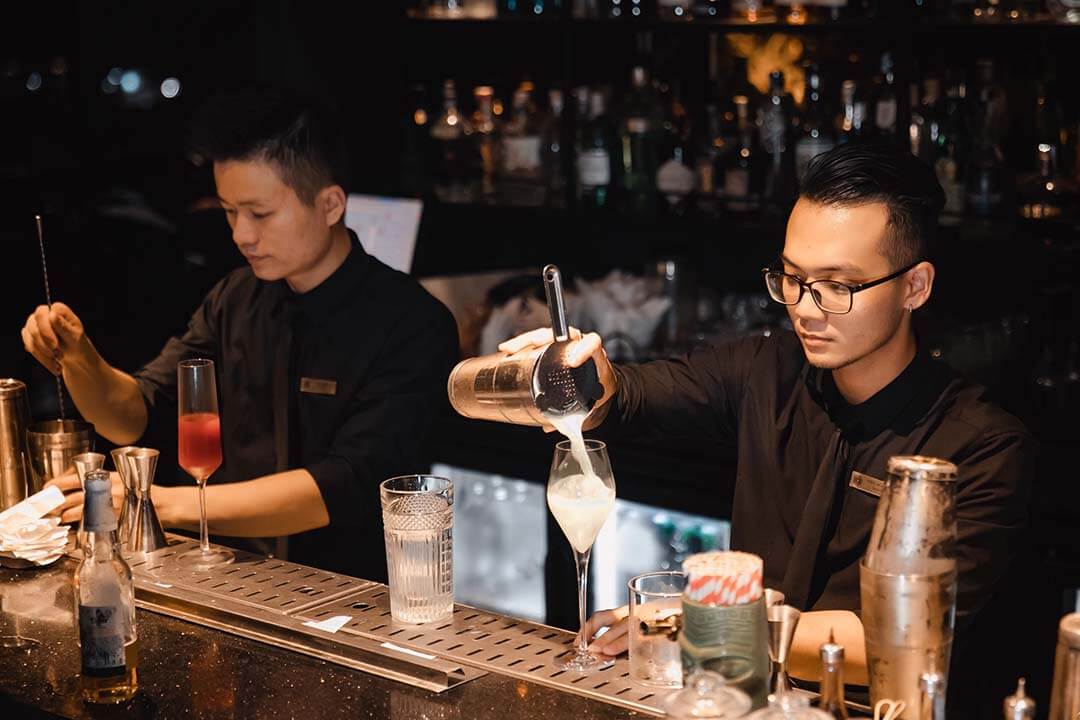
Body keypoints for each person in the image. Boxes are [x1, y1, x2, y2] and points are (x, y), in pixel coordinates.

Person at [499, 143, 1033, 689]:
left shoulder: (981, 446)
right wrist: (585, 377)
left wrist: (697, 626)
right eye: (792, 277)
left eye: (838, 286)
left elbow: (897, 640)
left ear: (914, 287)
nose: (804, 307)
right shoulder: (767, 369)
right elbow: (631, 395)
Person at [20, 89, 460, 581]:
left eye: (259, 213)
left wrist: (158, 501)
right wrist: (80, 358)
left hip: (359, 597)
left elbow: (344, 485)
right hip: (234, 578)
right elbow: (134, 415)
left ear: (331, 204)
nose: (240, 235)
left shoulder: (411, 322)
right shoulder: (236, 297)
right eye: (229, 211)